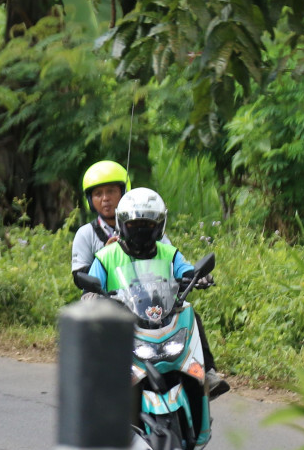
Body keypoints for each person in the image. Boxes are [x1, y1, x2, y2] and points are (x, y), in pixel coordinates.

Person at [86, 188, 228, 398]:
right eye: (134, 224)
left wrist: (199, 277)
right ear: (122, 223)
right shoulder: (106, 256)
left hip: (163, 318)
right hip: (122, 323)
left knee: (190, 313)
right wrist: (94, 296)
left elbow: (187, 271)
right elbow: (89, 288)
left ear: (160, 224)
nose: (141, 229)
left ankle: (207, 372)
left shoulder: (169, 253)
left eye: (148, 224)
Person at [71, 159, 133, 292]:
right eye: (98, 194)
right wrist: (105, 255)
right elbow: (79, 278)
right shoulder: (85, 233)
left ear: (123, 193)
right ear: (90, 200)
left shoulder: (143, 226)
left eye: (111, 191)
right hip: (101, 300)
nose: (105, 198)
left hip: (141, 298)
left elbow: (167, 258)